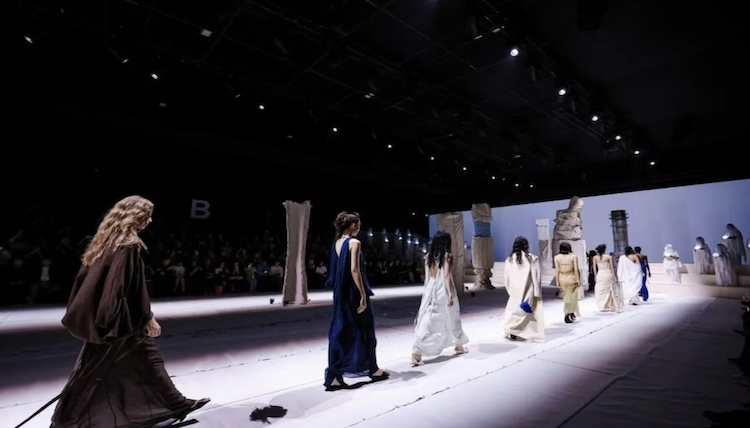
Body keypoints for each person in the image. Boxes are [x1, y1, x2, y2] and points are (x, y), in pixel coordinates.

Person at [48, 196, 209, 428]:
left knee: (150, 359)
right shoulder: (129, 245)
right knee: (91, 371)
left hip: (114, 316)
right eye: (148, 215)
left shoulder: (106, 241)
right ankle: (65, 420)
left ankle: (177, 403)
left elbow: (91, 281)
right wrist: (146, 317)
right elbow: (126, 287)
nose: (150, 220)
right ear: (136, 215)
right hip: (117, 321)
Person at [324, 212, 389, 391]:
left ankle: (334, 375)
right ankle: (372, 368)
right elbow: (354, 270)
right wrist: (362, 294)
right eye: (358, 225)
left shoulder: (336, 244)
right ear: (353, 225)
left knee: (340, 330)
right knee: (365, 330)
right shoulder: (354, 243)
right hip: (353, 292)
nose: (359, 228)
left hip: (340, 293)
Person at [411, 231, 469, 365]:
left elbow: (429, 277)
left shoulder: (428, 257)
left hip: (431, 289)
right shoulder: (447, 256)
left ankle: (458, 345)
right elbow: (446, 276)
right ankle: (418, 351)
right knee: (451, 316)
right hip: (443, 289)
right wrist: (449, 293)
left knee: (432, 317)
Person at [503, 237, 544, 342]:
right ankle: (522, 331)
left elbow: (506, 278)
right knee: (527, 311)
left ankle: (511, 329)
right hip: (528, 289)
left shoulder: (509, 260)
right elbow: (536, 276)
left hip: (514, 291)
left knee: (514, 311)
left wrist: (509, 290)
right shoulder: (532, 258)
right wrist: (537, 292)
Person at [554, 242, 581, 323]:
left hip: (562, 278)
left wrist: (557, 281)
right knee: (572, 297)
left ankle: (570, 313)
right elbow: (576, 269)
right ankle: (569, 313)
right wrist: (578, 279)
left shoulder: (557, 257)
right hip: (571, 278)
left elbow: (557, 270)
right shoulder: (573, 257)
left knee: (567, 296)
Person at [593, 244, 622, 312]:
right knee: (610, 290)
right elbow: (611, 267)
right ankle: (609, 304)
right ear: (604, 250)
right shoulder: (609, 257)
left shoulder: (595, 257)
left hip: (600, 274)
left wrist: (595, 276)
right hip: (608, 274)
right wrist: (614, 276)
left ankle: (602, 305)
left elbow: (594, 268)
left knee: (600, 290)